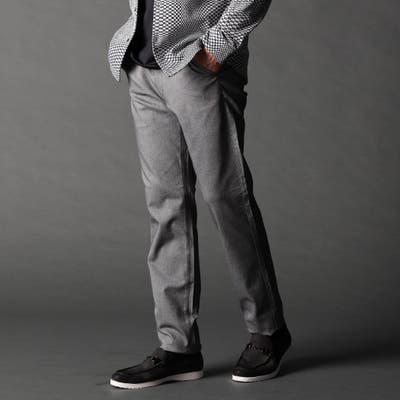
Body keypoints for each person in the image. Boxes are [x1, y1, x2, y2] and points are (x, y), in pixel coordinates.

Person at [107, 0, 292, 389]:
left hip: (197, 65)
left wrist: (215, 49)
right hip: (144, 69)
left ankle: (268, 330)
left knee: (227, 199)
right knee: (165, 206)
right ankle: (178, 347)